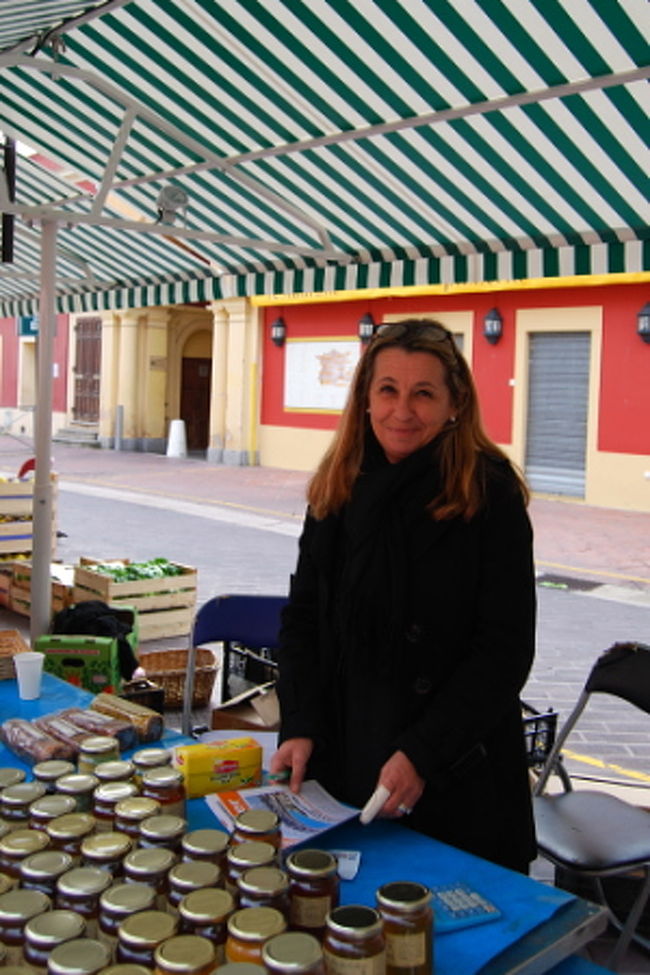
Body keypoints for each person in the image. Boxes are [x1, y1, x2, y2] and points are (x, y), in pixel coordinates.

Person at [270, 319, 536, 873]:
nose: (402, 411)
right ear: (365, 399)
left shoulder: (488, 491)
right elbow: (303, 618)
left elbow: (504, 651)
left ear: (455, 404)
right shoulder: (339, 482)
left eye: (424, 394)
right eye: (388, 390)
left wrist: (423, 752)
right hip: (346, 755)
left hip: (454, 771)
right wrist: (300, 722)